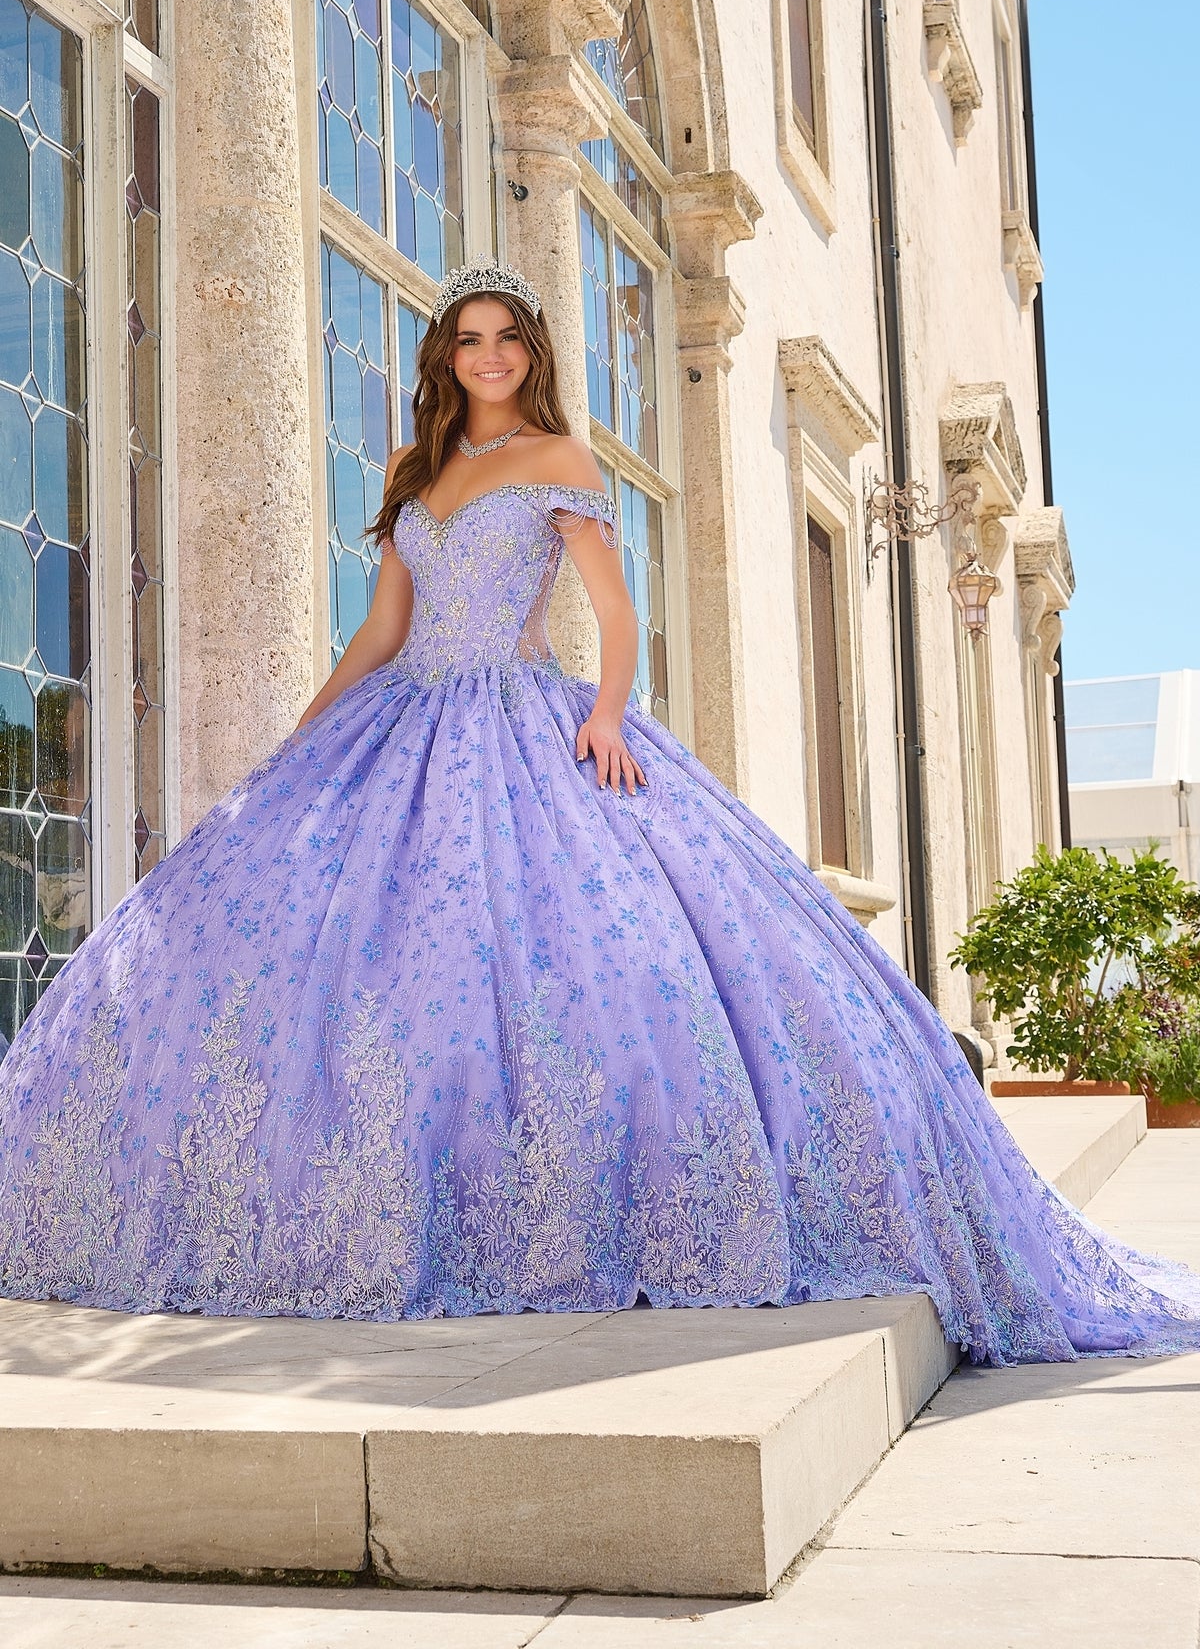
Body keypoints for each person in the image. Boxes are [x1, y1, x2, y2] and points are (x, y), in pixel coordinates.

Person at [0, 260, 1197, 1366]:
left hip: (524, 716)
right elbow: (380, 630)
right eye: (468, 339)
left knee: (562, 957)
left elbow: (611, 610)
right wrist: (303, 741)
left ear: (530, 349)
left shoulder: (560, 458)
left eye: (506, 337)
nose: (487, 355)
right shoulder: (418, 472)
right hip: (402, 710)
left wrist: (612, 716)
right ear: (443, 354)